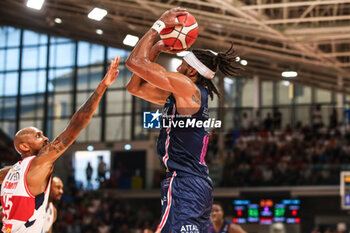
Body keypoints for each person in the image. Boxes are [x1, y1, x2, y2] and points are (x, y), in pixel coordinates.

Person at [126, 7, 240, 233]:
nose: (177, 67)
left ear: (192, 72)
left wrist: (158, 25)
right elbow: (135, 87)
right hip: (192, 183)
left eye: (182, 64)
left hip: (185, 182)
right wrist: (157, 49)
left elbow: (134, 62)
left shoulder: (187, 87)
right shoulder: (183, 96)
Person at [0, 56, 120, 233]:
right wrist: (102, 87)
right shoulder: (38, 163)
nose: (46, 138)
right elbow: (75, 125)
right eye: (39, 135)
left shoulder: (7, 173)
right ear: (24, 147)